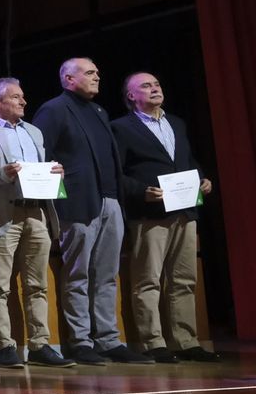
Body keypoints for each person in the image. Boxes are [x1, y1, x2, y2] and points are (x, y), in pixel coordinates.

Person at [31, 59, 151, 365]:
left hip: (110, 201)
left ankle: (109, 340)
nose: (97, 76)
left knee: (107, 276)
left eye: (98, 72)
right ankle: (80, 341)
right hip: (77, 203)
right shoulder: (54, 109)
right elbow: (39, 155)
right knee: (78, 274)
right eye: (89, 72)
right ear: (69, 79)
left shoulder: (100, 112)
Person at [0, 78, 74, 368]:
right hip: (3, 215)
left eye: (23, 96)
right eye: (15, 97)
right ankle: (5, 347)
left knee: (38, 284)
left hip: (37, 212)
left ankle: (40, 345)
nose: (23, 102)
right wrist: (2, 173)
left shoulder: (34, 132)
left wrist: (55, 173)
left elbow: (41, 169)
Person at [111, 73, 220, 363]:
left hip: (185, 210)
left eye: (157, 84)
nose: (155, 88)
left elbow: (185, 161)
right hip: (150, 214)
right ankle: (152, 342)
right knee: (148, 279)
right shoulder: (121, 128)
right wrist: (141, 192)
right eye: (146, 86)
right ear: (131, 96)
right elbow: (116, 173)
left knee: (184, 279)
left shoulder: (176, 122)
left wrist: (202, 177)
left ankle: (185, 340)